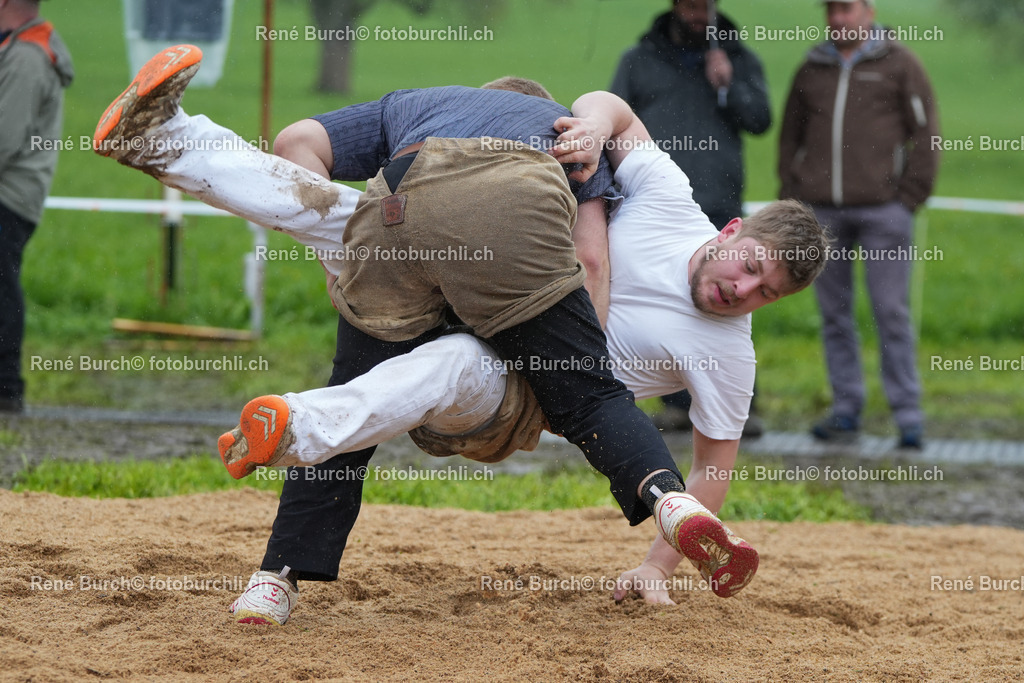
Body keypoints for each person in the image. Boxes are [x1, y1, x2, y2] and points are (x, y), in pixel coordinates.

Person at [93, 47, 827, 624]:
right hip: (454, 284)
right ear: (734, 231)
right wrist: (599, 123)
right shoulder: (663, 195)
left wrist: (654, 567)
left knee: (443, 356)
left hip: (519, 379)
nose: (744, 291)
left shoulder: (730, 350)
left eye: (767, 292)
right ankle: (286, 500)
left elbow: (714, 456)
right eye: (752, 267)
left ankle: (174, 143)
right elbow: (615, 121)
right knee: (363, 238)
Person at [778, 0, 939, 449]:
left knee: (891, 312)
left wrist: (909, 198)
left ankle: (907, 415)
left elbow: (926, 132)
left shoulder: (901, 64)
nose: (837, 18)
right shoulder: (811, 68)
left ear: (868, 11)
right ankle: (846, 410)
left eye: (845, 9)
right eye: (831, 10)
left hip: (885, 211)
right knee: (833, 315)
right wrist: (793, 194)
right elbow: (790, 135)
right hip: (822, 213)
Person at [610, 0, 771, 436]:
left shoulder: (739, 59)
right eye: (689, 4)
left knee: (728, 295)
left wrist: (730, 85)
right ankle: (675, 401)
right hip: (653, 201)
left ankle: (732, 402)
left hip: (718, 198)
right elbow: (614, 120)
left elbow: (760, 119)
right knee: (661, 294)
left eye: (705, 6)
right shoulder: (638, 60)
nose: (697, 13)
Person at [0, 0, 73, 413]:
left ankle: (6, 387)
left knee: (1, 287)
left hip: (7, 194)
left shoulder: (27, 57)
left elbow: (3, 140)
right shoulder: (20, 48)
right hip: (16, 192)